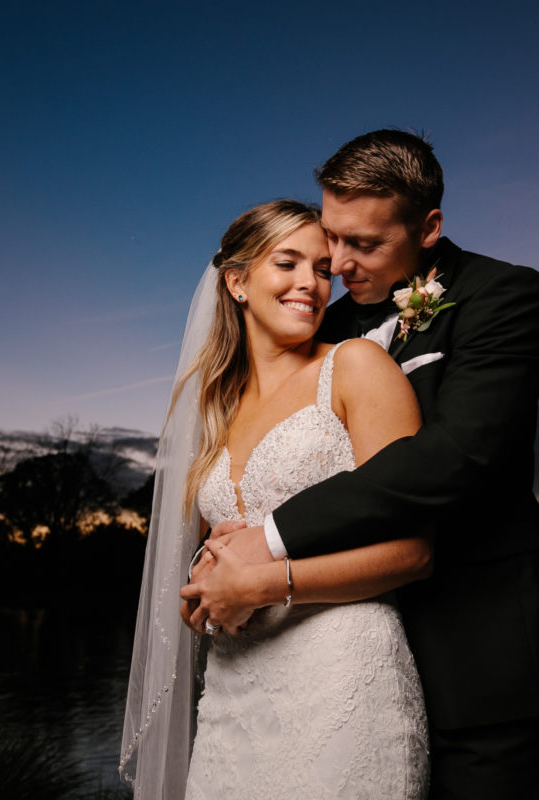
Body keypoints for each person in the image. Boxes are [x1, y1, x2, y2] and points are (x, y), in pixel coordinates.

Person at [193, 130, 539, 799]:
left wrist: (268, 541)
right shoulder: (320, 328)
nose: (334, 264)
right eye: (330, 237)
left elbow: (456, 457)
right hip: (324, 660)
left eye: (362, 244)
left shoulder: (502, 297)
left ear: (428, 228)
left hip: (474, 658)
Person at [120, 199, 431, 799]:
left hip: (343, 682)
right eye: (286, 263)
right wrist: (203, 594)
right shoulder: (212, 410)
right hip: (234, 696)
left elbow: (414, 552)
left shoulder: (356, 367)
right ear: (236, 282)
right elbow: (212, 561)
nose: (310, 285)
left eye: (320, 269)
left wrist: (261, 585)